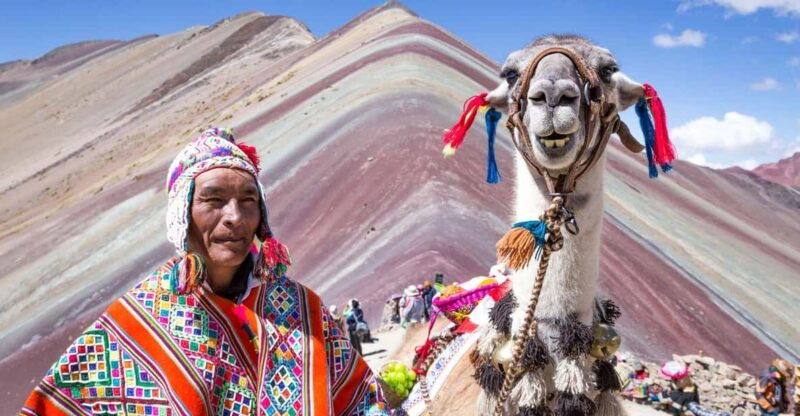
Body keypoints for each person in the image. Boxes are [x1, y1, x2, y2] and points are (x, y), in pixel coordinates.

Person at [21, 128, 388, 415]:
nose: (235, 217)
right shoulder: (141, 322)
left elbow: (360, 402)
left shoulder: (302, 311)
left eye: (248, 201)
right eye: (213, 200)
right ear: (183, 213)